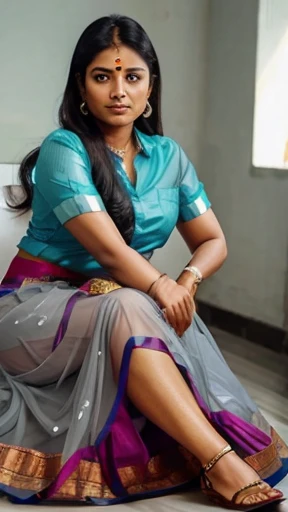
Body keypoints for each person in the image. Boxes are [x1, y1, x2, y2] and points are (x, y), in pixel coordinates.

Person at [0, 14, 287, 510]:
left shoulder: (169, 157)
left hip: (123, 304)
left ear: (151, 84)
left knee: (144, 305)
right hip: (32, 313)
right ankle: (218, 462)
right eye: (102, 76)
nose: (118, 90)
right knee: (135, 303)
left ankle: (207, 450)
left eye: (132, 76)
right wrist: (162, 289)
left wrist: (187, 279)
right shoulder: (62, 150)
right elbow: (109, 251)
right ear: (80, 87)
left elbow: (213, 240)